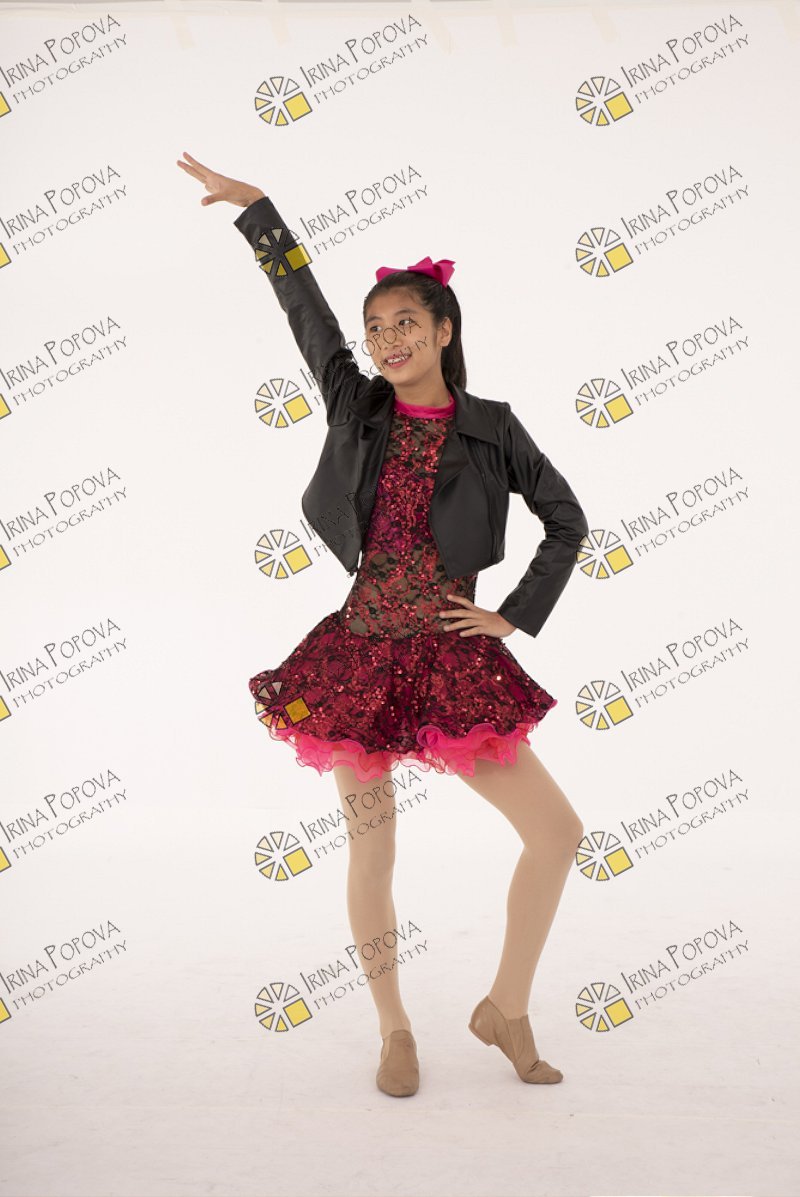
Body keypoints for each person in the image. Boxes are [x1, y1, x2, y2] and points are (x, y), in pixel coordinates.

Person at [177, 151, 590, 1098]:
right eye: (376, 328)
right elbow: (306, 315)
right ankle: (394, 1028)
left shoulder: (494, 427)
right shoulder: (357, 407)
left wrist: (511, 616)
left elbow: (567, 520)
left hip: (452, 663)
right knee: (373, 847)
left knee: (558, 831)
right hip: (359, 661)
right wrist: (261, 215)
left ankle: (506, 1007)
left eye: (406, 322)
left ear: (444, 329)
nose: (387, 338)